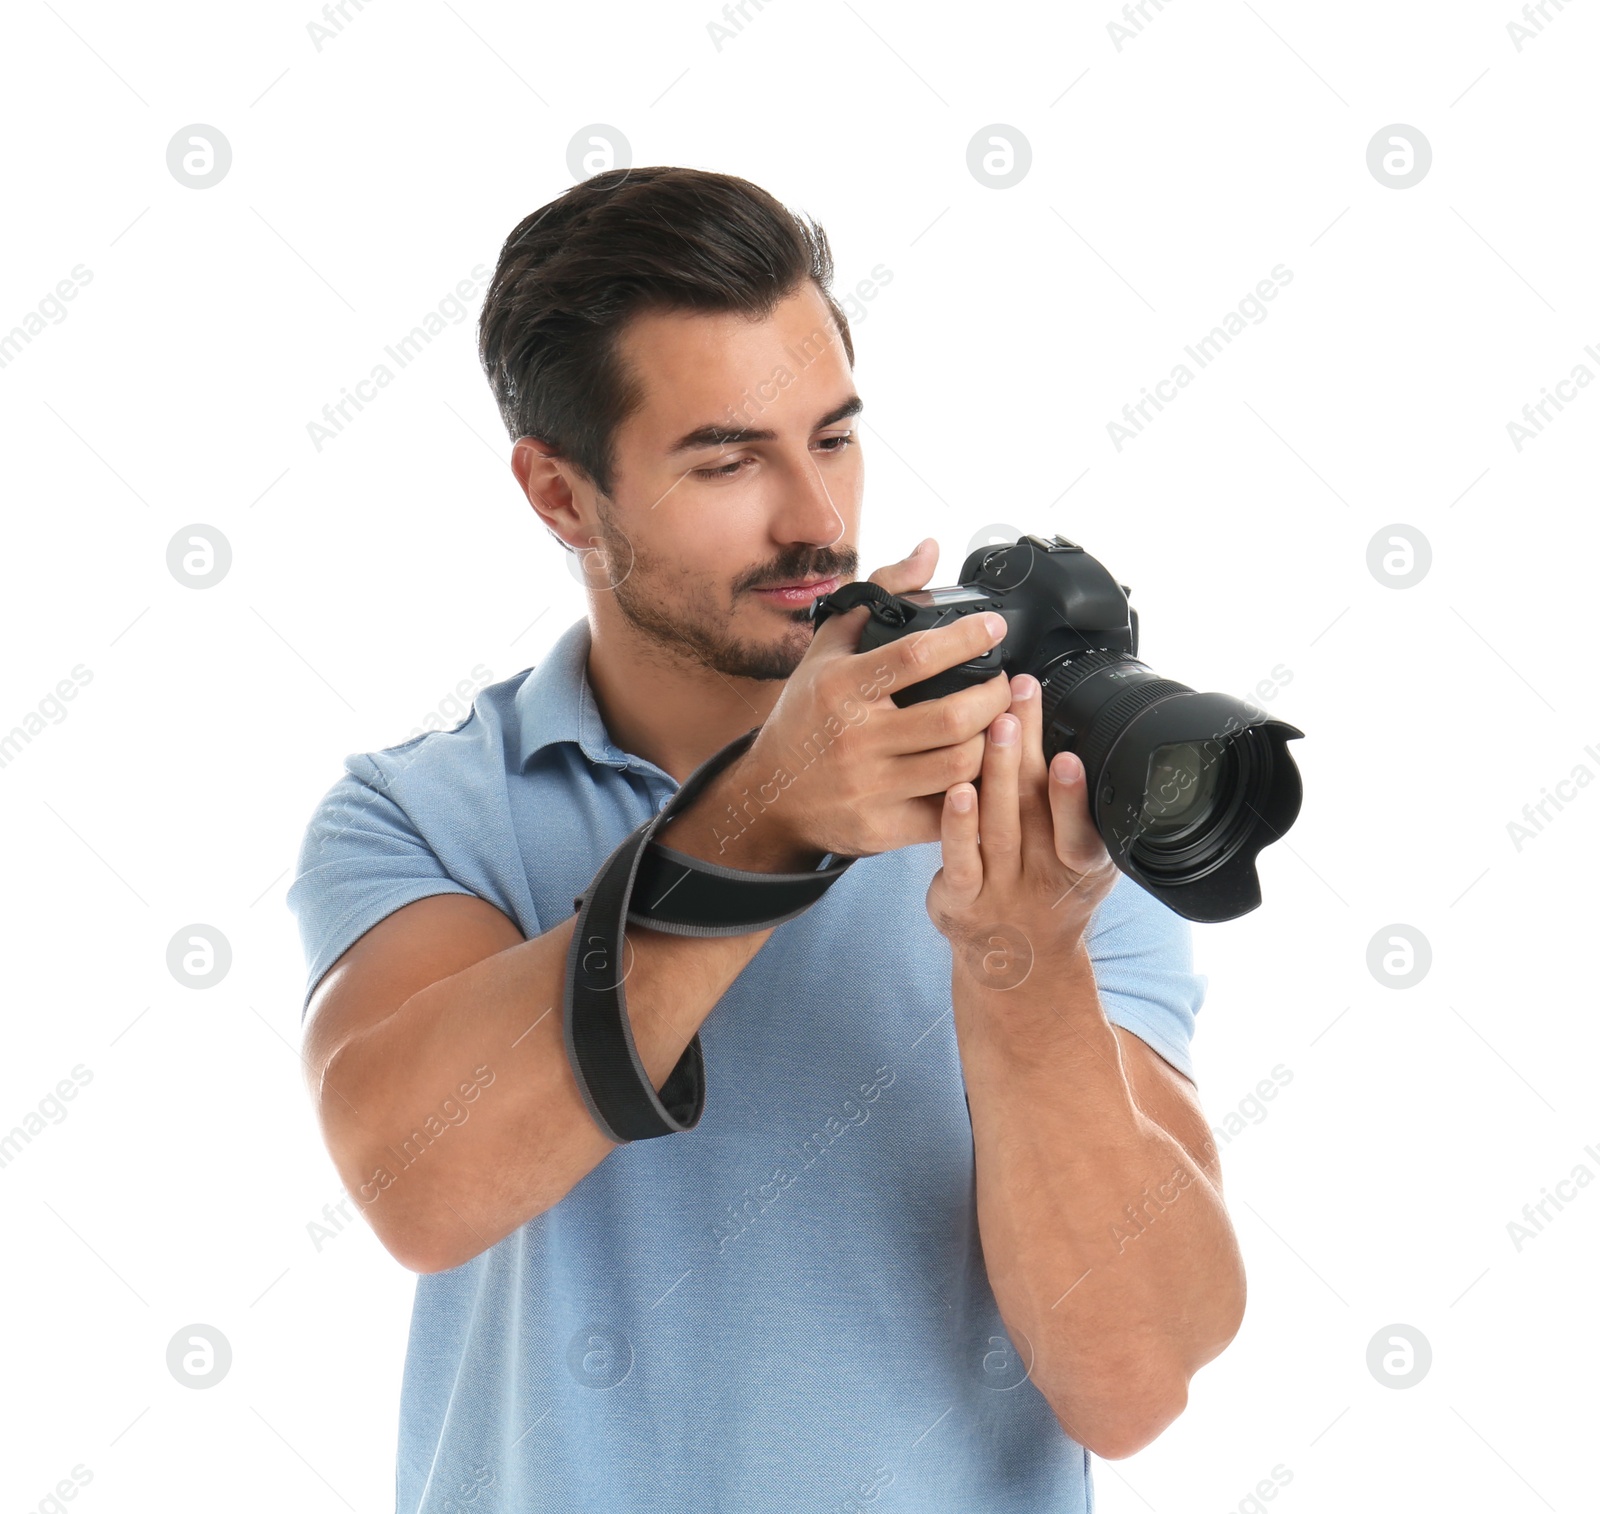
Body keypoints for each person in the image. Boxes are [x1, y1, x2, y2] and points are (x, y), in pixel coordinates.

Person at [287, 165, 1246, 1513]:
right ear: (560, 495)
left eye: (833, 437)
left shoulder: (1039, 799)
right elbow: (421, 1183)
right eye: (727, 459)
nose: (814, 517)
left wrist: (1028, 972)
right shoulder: (425, 815)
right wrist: (770, 810)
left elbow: (1132, 1375)